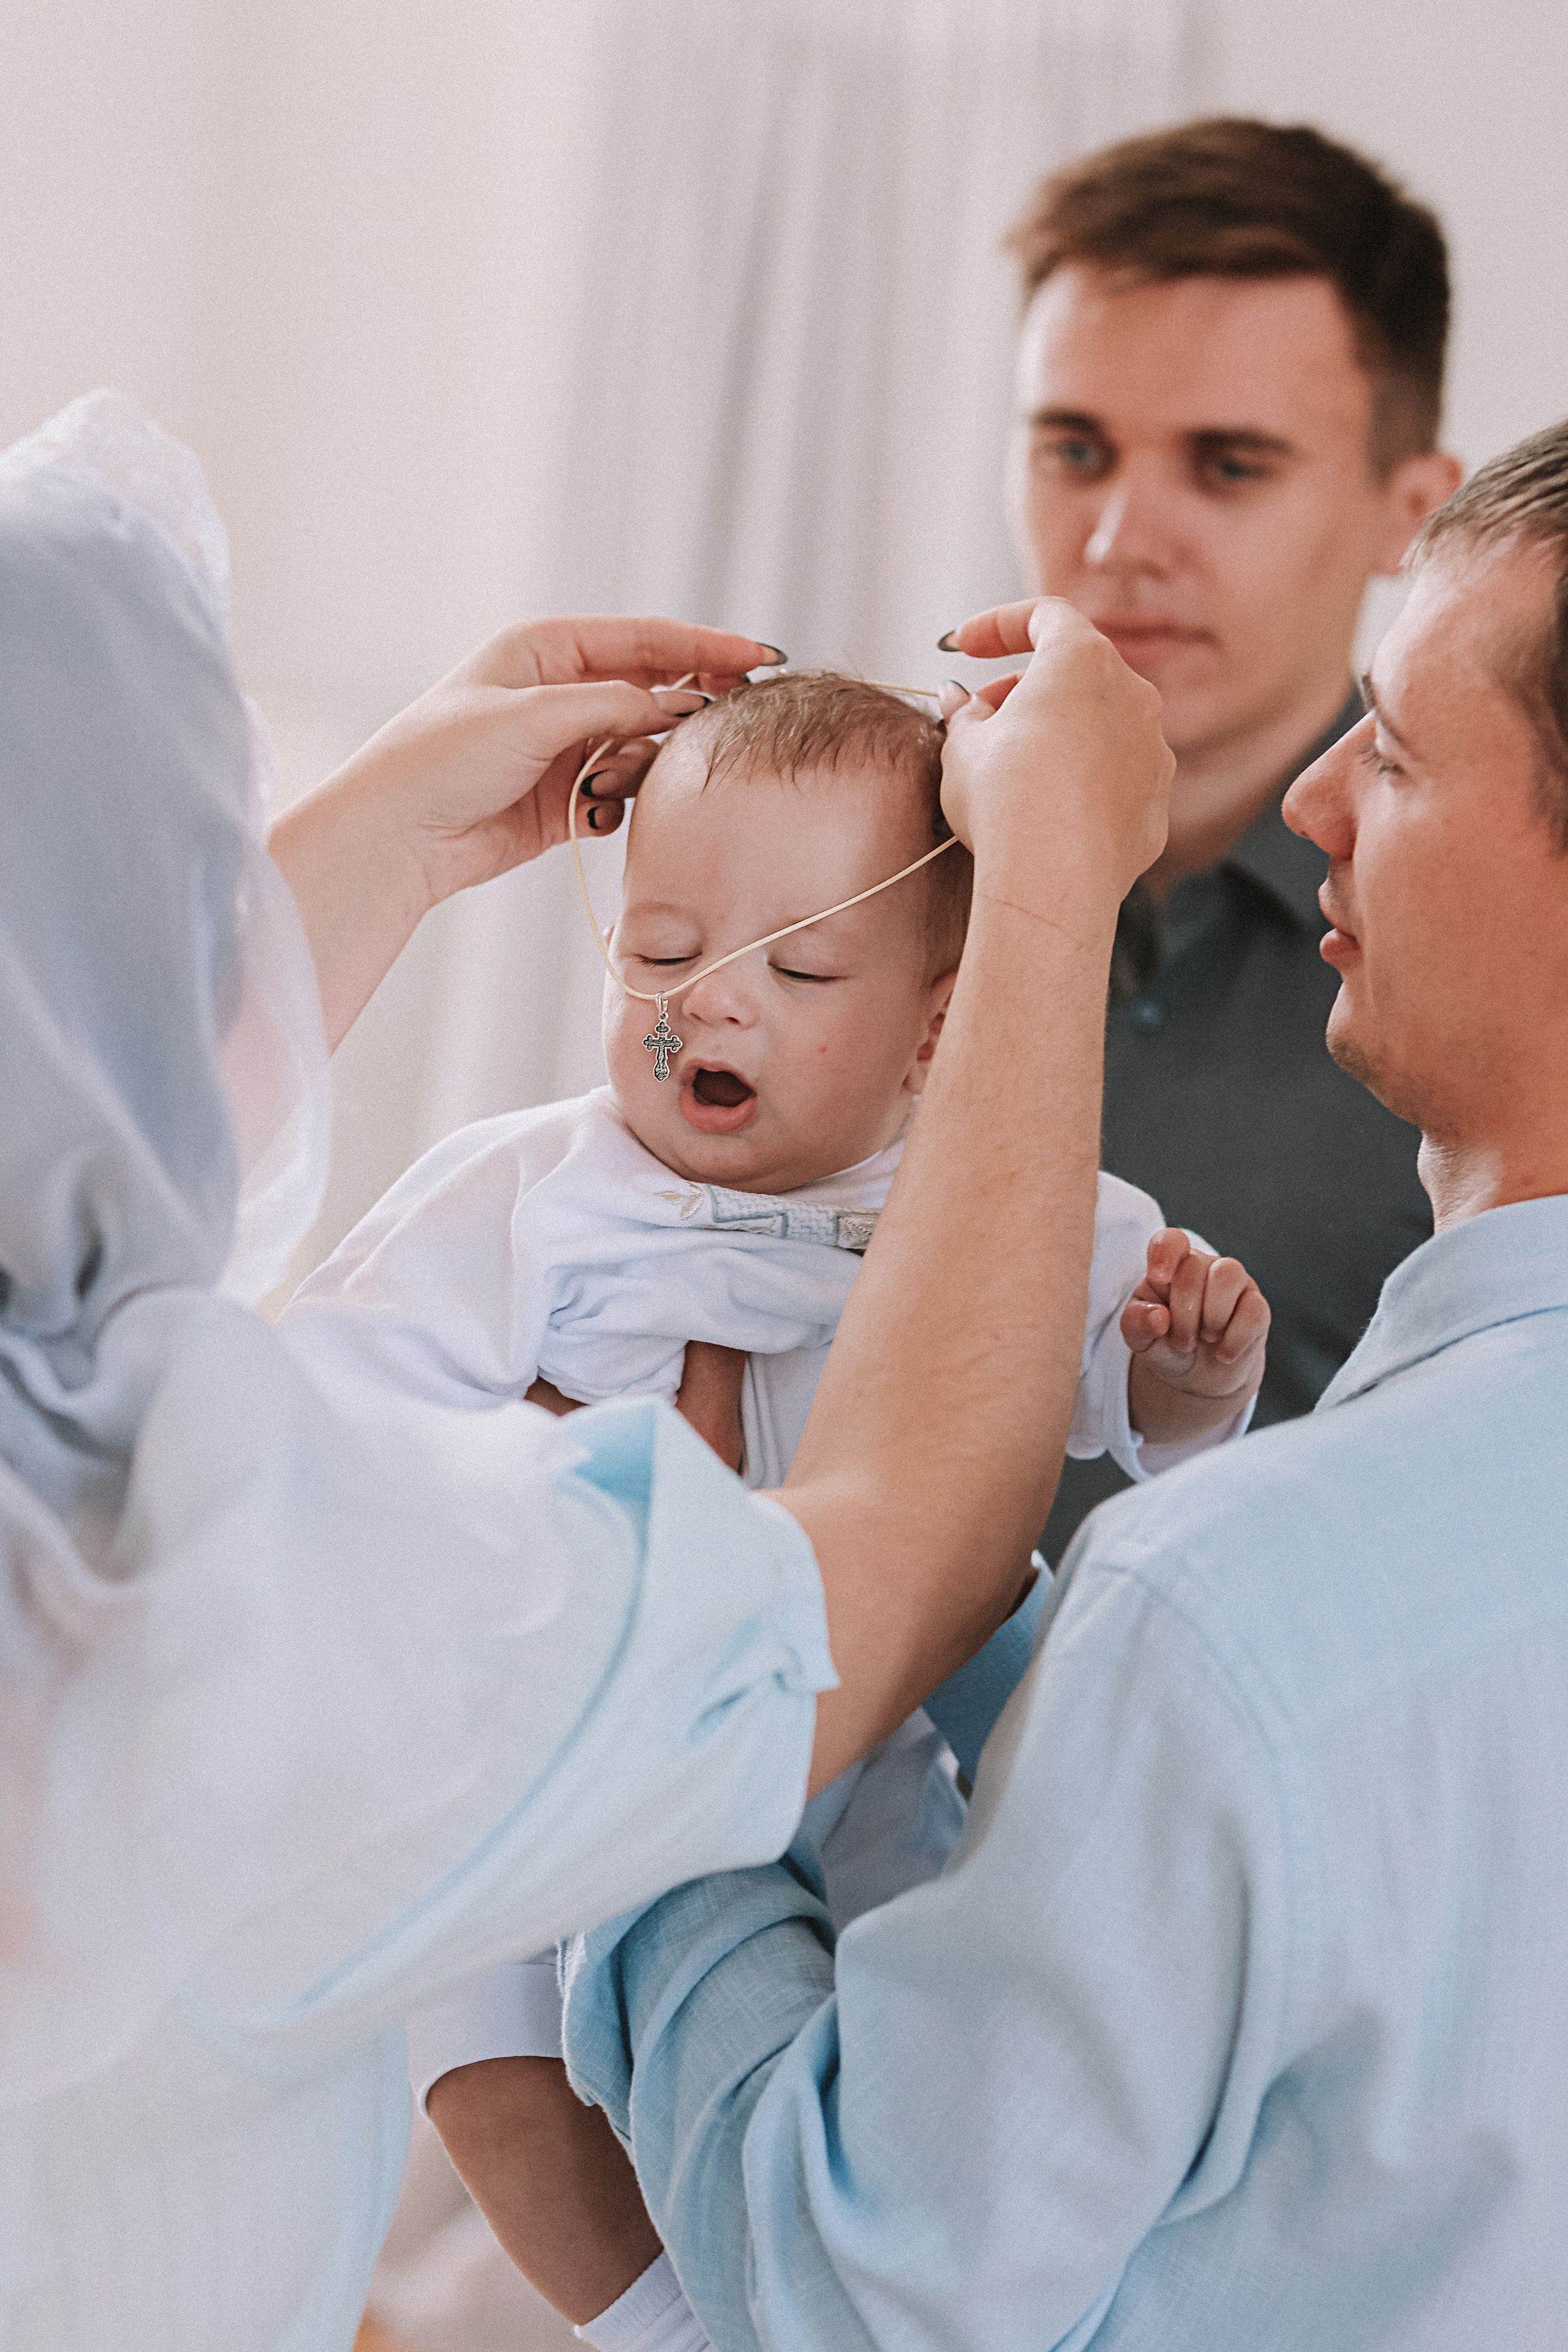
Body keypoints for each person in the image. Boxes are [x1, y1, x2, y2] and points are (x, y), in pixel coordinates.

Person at [0, 393, 1170, 2348]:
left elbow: (93, 1147)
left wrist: (388, 831)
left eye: (803, 966)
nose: (712, 1000)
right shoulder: (200, 1587)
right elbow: (901, 1554)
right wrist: (1052, 897)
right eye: (202, 881)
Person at [564, 420, 1568, 2349]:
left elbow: (856, 2284)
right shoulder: (1264, 1628)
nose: (1317, 800)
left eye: (1397, 749)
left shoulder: (1235, 1616)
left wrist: (640, 1768)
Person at [278, 671, 1268, 2332]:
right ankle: (656, 2323)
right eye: (661, 951)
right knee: (470, 2032)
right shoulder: (533, 1192)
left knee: (962, 1997)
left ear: (938, 1028)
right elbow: (331, 1406)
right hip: (576, 1755)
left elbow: (1124, 1421)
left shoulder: (1003, 1204)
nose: (709, 1006)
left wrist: (1187, 1376)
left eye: (799, 971)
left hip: (891, 1755)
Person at [964, 116, 1463, 1559]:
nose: (1117, 539)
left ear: (1408, 513)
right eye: (1072, 448)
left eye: (1227, 464)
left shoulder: (1502, 972)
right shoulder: (839, 883)